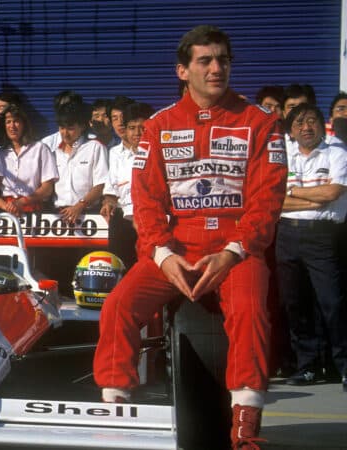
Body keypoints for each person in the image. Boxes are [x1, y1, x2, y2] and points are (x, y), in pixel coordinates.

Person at [93, 25, 288, 449]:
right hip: (178, 245)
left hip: (238, 247)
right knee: (118, 307)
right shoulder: (159, 126)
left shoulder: (262, 123)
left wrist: (235, 251)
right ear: (183, 70)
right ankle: (113, 416)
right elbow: (144, 202)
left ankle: (245, 433)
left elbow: (267, 200)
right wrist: (161, 253)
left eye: (224, 59)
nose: (217, 68)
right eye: (205, 60)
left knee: (252, 313)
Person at [275, 103, 347, 391]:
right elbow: (273, 200)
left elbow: (332, 192)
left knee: (332, 302)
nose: (306, 127)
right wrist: (310, 198)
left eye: (312, 121)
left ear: (322, 124)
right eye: (299, 123)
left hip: (322, 236)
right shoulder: (283, 157)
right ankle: (308, 366)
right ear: (291, 130)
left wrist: (292, 192)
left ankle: (343, 366)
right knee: (295, 303)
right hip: (287, 235)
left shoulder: (337, 153)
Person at [100, 102, 154, 269]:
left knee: (151, 267)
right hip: (125, 216)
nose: (137, 133)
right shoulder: (116, 154)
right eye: (132, 127)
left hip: (152, 218)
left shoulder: (159, 152)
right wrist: (108, 203)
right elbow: (111, 190)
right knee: (119, 266)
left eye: (142, 127)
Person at [0, 103, 58, 216]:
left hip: (33, 210)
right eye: (8, 122)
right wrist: (7, 207)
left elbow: (47, 188)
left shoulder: (40, 148)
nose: (12, 126)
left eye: (16, 121)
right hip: (3, 212)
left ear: (24, 124)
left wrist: (21, 202)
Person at [50, 102, 108, 224]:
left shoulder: (95, 147)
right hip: (57, 216)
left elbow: (101, 185)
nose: (65, 133)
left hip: (89, 216)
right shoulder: (53, 153)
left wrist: (80, 206)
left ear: (82, 126)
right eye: (61, 128)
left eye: (70, 128)